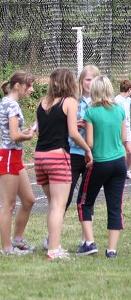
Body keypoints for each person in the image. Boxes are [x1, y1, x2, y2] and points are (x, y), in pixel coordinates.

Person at [34, 68, 93, 260]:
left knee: (52, 203)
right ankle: (53, 250)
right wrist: (87, 149)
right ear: (70, 83)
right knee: (58, 205)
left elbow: (41, 130)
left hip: (40, 157)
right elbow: (73, 134)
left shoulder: (42, 102)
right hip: (58, 157)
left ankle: (54, 243)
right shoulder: (70, 102)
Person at [50, 65, 100, 253]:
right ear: (80, 81)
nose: (90, 83)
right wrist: (75, 124)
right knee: (65, 196)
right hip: (72, 152)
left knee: (87, 198)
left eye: (93, 79)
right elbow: (61, 122)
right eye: (87, 80)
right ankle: (53, 237)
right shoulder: (72, 101)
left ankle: (86, 239)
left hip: (91, 154)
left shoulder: (99, 102)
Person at [77, 75, 127, 258]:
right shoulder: (119, 109)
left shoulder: (91, 112)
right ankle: (112, 250)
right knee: (115, 206)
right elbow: (123, 138)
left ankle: (89, 242)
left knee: (84, 202)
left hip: (99, 161)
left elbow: (89, 143)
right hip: (119, 162)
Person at [0, 71, 37, 255]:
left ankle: (17, 239)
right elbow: (13, 135)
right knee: (8, 205)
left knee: (29, 200)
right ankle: (7, 248)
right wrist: (28, 135)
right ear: (18, 86)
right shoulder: (11, 105)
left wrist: (24, 132)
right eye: (29, 85)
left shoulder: (7, 103)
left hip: (13, 156)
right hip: (9, 156)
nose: (32, 89)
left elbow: (11, 132)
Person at [113, 79, 131, 180]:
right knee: (122, 150)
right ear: (129, 89)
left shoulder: (128, 100)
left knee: (129, 151)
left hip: (127, 127)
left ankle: (127, 170)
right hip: (119, 127)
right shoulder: (117, 100)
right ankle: (121, 170)